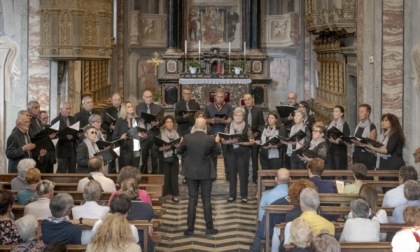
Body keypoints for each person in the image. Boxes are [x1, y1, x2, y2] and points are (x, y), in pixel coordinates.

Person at [177, 117, 221, 236]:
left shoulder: (187, 137)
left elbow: (178, 151)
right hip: (206, 172)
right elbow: (217, 152)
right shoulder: (210, 139)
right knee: (206, 200)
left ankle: (190, 229)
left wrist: (189, 156)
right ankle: (209, 228)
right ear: (205, 127)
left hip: (191, 172)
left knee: (192, 200)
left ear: (195, 127)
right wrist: (217, 142)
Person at [264, 179, 317, 252]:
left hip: (296, 243)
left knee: (276, 231)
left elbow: (289, 235)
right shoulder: (317, 211)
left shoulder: (292, 214)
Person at [222, 107, 254, 203]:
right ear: (233, 116)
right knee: (232, 174)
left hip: (243, 153)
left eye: (240, 115)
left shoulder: (247, 126)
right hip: (231, 152)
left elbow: (252, 142)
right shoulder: (228, 126)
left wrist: (241, 143)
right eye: (236, 115)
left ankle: (244, 196)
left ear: (243, 116)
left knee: (243, 174)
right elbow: (223, 140)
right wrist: (228, 141)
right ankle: (232, 196)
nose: (238, 117)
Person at [205, 88, 233, 180]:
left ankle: (228, 175)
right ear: (214, 97)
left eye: (222, 97)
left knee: (227, 154)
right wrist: (211, 120)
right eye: (218, 97)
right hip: (213, 132)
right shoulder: (209, 107)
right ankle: (213, 175)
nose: (220, 99)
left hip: (224, 132)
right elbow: (204, 120)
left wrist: (222, 120)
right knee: (213, 154)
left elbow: (229, 120)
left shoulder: (228, 107)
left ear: (224, 97)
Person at [121, 178, 154, 251]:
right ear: (137, 191)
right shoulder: (147, 207)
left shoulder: (118, 207)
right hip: (143, 243)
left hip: (120, 242)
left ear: (122, 191)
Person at [136, 90, 164, 174]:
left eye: (150, 97)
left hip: (154, 133)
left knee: (155, 156)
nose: (149, 98)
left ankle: (155, 174)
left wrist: (158, 123)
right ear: (143, 97)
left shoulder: (158, 107)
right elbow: (136, 119)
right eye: (147, 97)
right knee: (144, 156)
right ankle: (143, 175)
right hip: (144, 133)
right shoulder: (138, 107)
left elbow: (162, 120)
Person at [155, 115, 181, 201]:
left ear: (173, 124)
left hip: (174, 158)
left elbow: (181, 147)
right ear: (164, 124)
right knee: (164, 177)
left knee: (174, 178)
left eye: (171, 122)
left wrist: (178, 146)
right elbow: (154, 147)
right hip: (164, 158)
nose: (169, 124)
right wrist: (163, 148)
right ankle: (164, 194)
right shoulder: (160, 134)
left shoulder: (177, 134)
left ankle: (175, 194)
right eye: (167, 122)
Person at [112, 100, 143, 170]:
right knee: (125, 172)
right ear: (124, 109)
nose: (131, 108)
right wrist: (121, 137)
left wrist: (143, 135)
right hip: (124, 150)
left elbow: (143, 133)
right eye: (128, 107)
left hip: (136, 148)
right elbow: (114, 137)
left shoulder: (138, 120)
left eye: (132, 106)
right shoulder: (120, 121)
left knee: (135, 171)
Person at [243, 94, 265, 183]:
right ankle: (245, 176)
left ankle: (255, 177)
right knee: (244, 157)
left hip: (255, 137)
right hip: (244, 137)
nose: (247, 101)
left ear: (252, 99)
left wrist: (258, 133)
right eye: (245, 100)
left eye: (249, 99)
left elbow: (262, 124)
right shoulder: (242, 111)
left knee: (255, 157)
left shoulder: (258, 111)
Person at [51, 101, 78, 173]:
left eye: (69, 109)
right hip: (62, 149)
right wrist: (66, 137)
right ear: (61, 110)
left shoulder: (73, 119)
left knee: (72, 171)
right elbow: (54, 136)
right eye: (66, 109)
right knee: (61, 171)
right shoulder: (55, 121)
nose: (69, 111)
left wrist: (74, 136)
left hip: (73, 149)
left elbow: (76, 132)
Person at [351, 103, 377, 169]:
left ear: (367, 113)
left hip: (366, 155)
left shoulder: (371, 126)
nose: (359, 113)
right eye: (359, 111)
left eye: (362, 111)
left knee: (367, 177)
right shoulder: (358, 125)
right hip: (357, 154)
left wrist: (361, 143)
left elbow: (372, 144)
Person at [327, 105, 350, 170]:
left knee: (340, 170)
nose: (334, 113)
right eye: (333, 111)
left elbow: (346, 140)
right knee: (331, 169)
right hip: (331, 149)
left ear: (341, 114)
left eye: (336, 111)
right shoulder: (331, 124)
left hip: (340, 151)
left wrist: (337, 141)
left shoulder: (345, 125)